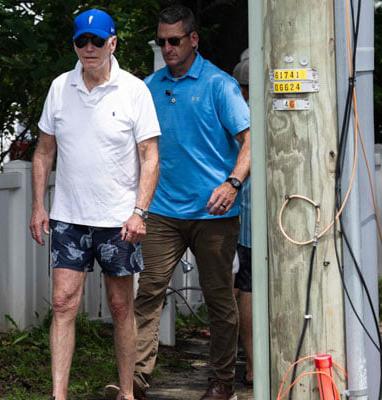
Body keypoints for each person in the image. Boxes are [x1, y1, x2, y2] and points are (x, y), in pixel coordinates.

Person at [29, 8, 160, 400]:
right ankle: (59, 395)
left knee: (120, 306)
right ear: (74, 45)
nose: (90, 48)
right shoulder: (60, 88)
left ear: (112, 43)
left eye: (98, 41)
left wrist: (139, 212)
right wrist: (38, 206)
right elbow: (43, 152)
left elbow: (150, 156)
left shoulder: (134, 90)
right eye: (82, 41)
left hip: (119, 221)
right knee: (62, 303)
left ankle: (127, 392)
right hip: (69, 218)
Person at [132, 5, 250, 400]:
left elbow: (250, 140)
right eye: (162, 41)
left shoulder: (220, 85)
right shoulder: (148, 87)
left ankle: (221, 382)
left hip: (213, 213)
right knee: (148, 293)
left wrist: (233, 183)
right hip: (162, 211)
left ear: (193, 39)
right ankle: (135, 380)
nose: (167, 48)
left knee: (218, 298)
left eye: (175, 40)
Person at [232, 52, 253, 386]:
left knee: (243, 287)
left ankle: (251, 364)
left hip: (240, 215)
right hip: (277, 216)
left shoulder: (236, 114)